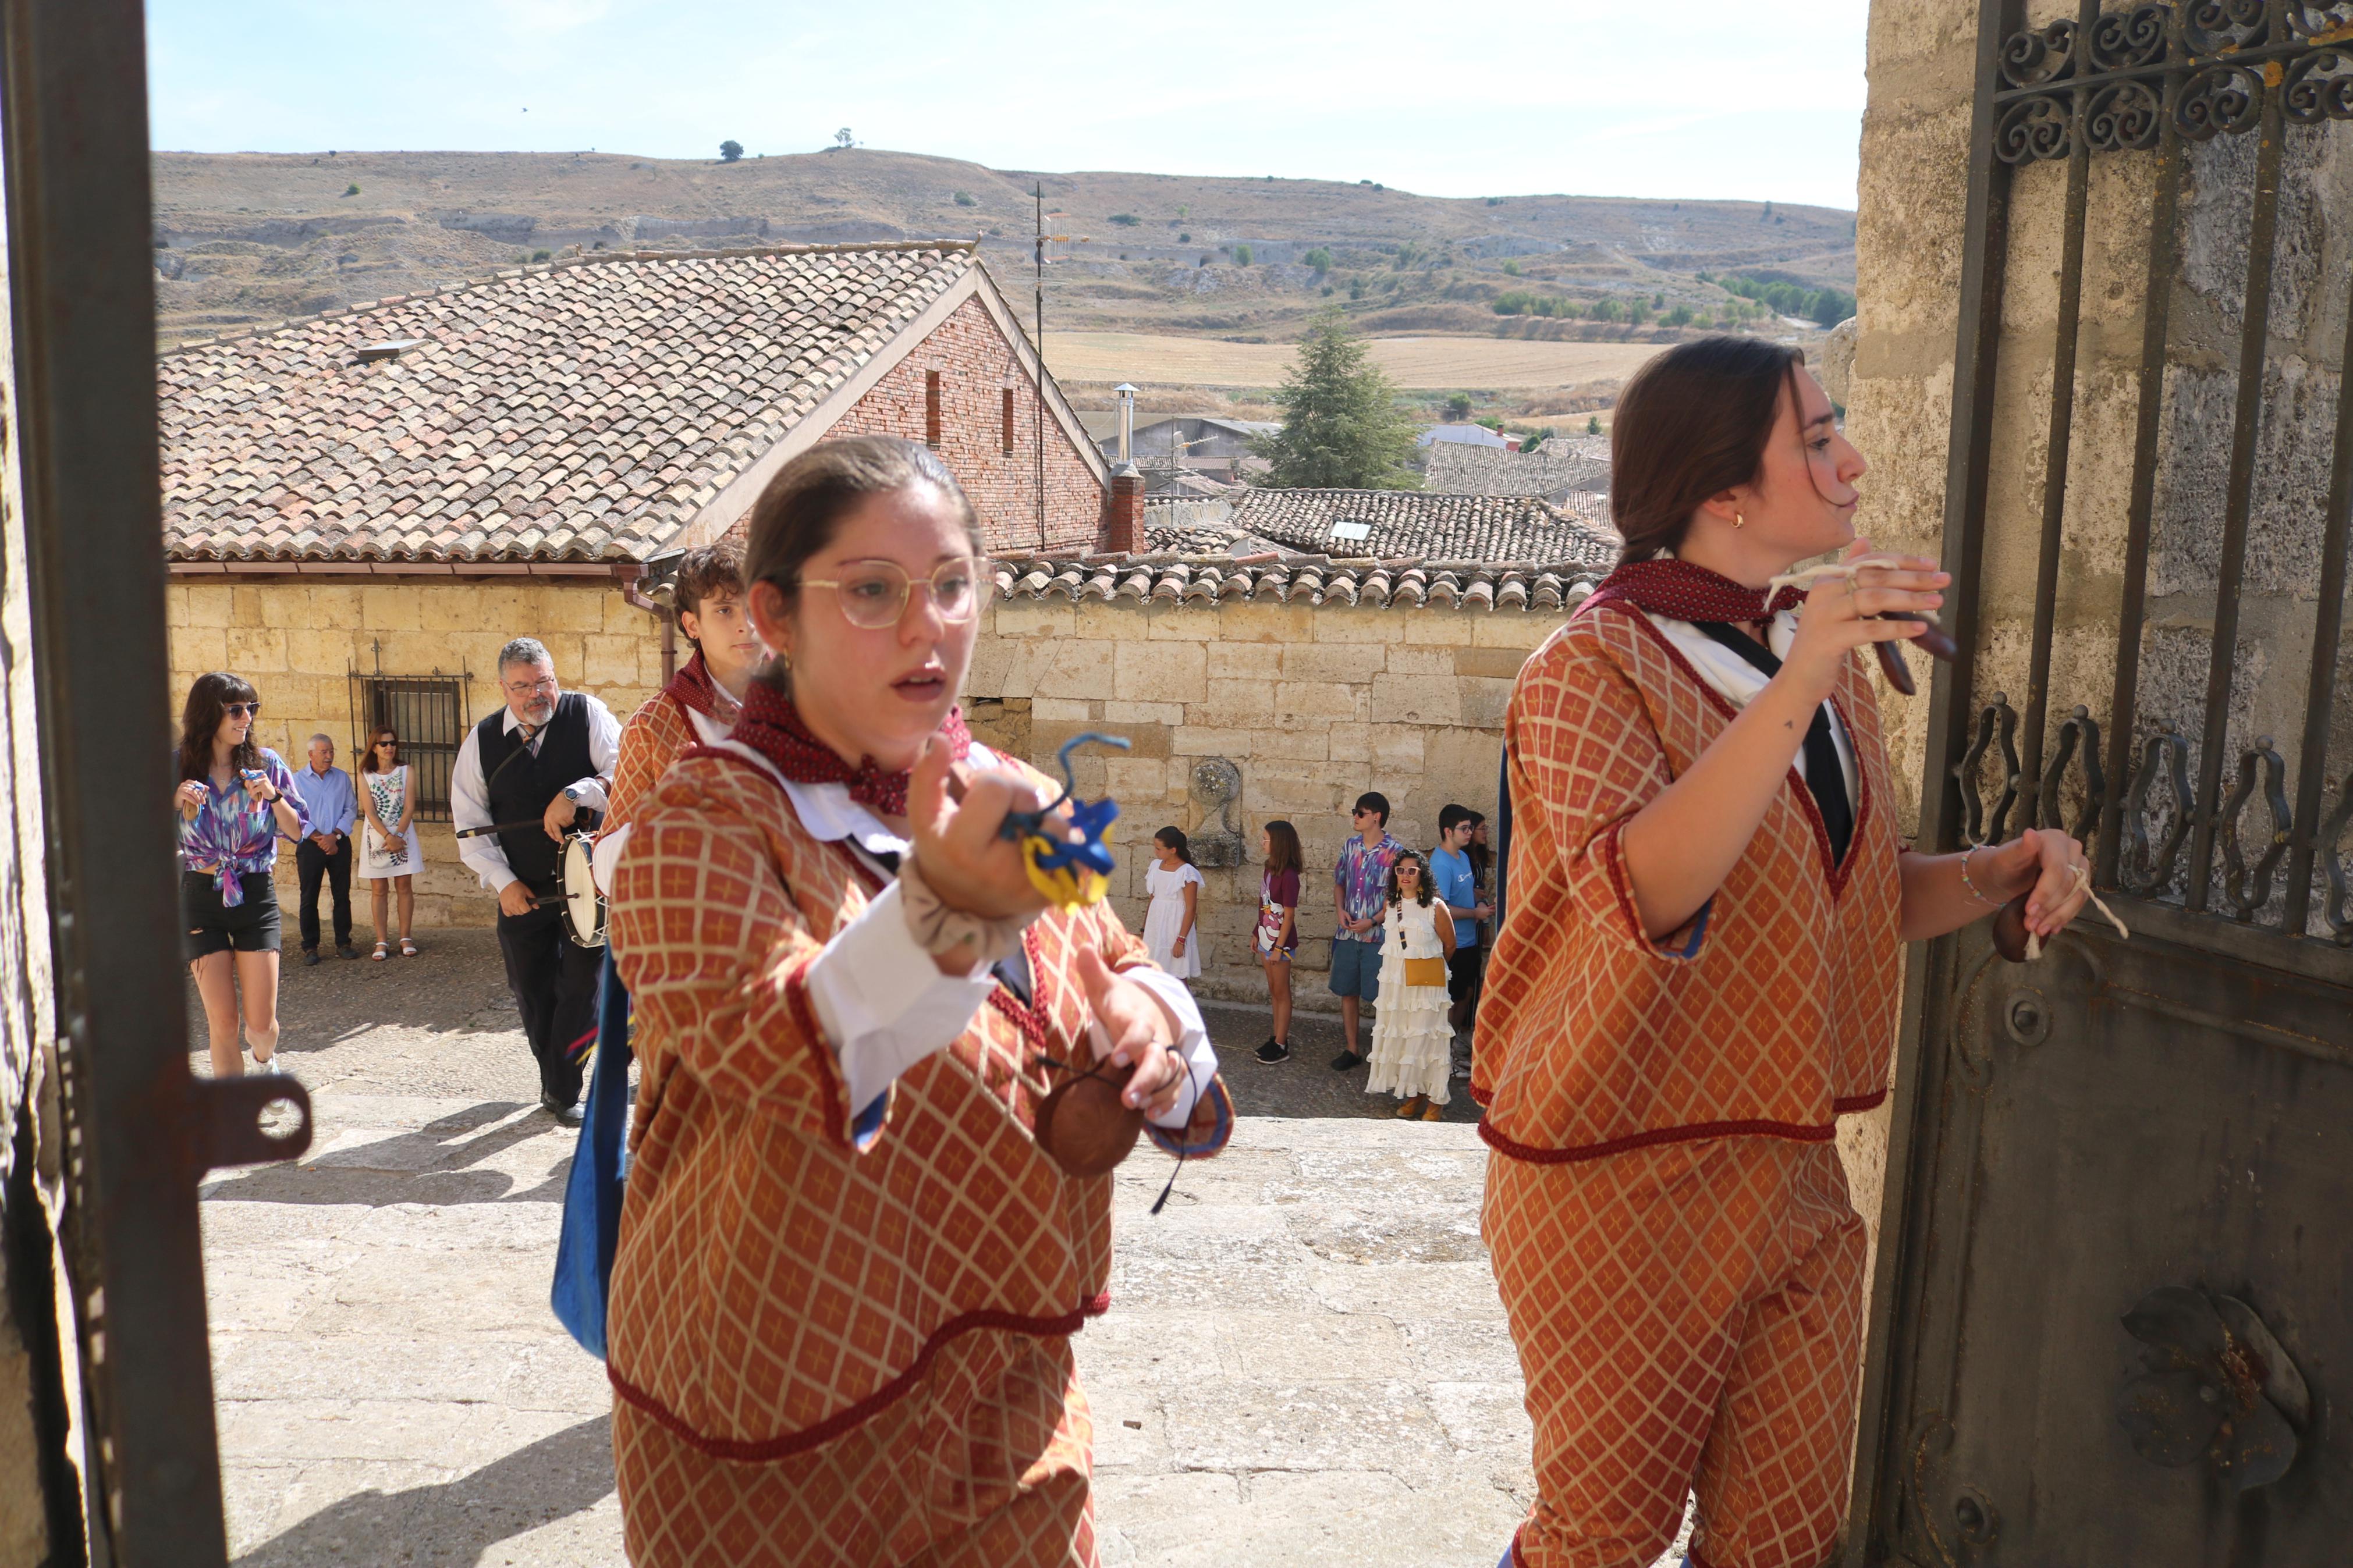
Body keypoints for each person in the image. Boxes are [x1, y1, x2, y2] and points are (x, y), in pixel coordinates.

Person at [1476, 337, 2096, 1568]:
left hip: (1791, 1168)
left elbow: (1843, 899)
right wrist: (1805, 672)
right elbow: (1649, 890)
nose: (1849, 458)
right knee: (1601, 1538)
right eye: (1814, 437)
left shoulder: (1822, 671)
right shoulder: (1582, 670)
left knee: (1784, 1539)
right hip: (1619, 1173)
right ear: (1720, 490)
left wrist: (1996, 869)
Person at [603, 435, 1231, 1566]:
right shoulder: (701, 822)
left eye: (948, 584)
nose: (924, 623)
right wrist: (948, 906)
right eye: (873, 591)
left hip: (1011, 1392)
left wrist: (1146, 1023)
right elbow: (790, 1055)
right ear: (775, 616)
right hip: (773, 1417)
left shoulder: (1025, 794)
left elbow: (1116, 955)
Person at [450, 637, 620, 1121]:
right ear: (503, 688)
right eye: (523, 685)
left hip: (591, 886)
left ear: (555, 678)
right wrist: (502, 881)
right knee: (531, 990)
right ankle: (554, 1078)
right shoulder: (481, 741)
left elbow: (627, 772)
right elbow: (469, 823)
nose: (536, 694)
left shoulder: (586, 714)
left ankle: (563, 1090)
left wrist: (579, 791)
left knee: (583, 987)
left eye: (544, 681)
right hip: (523, 890)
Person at [595, 536, 762, 888]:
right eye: (725, 609)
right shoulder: (655, 724)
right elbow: (604, 870)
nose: (747, 623)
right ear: (692, 625)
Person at [175, 673, 306, 1078]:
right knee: (223, 1023)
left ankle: (265, 1064)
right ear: (208, 713)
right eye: (235, 709)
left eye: (251, 708)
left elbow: (299, 830)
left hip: (254, 893)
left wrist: (274, 795)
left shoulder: (265, 764)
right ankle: (232, 1119)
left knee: (261, 1027)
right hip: (201, 894)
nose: (246, 717)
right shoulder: (176, 764)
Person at [1364, 849, 1456, 1121]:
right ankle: (1414, 1095)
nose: (1405, 875)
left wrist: (1428, 968)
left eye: (1412, 871)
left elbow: (1450, 945)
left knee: (1428, 1038)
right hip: (1396, 984)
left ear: (1422, 875)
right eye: (1400, 870)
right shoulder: (1391, 905)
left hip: (1426, 985)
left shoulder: (1436, 907)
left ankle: (1435, 1100)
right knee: (1406, 1039)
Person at [1326, 791, 1402, 1072]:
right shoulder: (1350, 847)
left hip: (1378, 937)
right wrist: (1340, 911)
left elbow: (1397, 896)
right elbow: (1339, 883)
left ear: (1376, 817)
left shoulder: (1395, 852)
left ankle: (1384, 1053)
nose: (1355, 818)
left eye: (1360, 813)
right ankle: (1352, 1049)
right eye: (1355, 813)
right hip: (1347, 933)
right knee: (1348, 991)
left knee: (1382, 996)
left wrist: (1373, 921)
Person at [289, 733, 359, 965]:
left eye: (331, 752)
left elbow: (351, 809)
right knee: (309, 896)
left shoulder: (341, 778)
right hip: (311, 845)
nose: (329, 756)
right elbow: (295, 813)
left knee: (342, 894)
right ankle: (310, 946)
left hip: (339, 842)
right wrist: (320, 838)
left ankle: (343, 943)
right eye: (324, 752)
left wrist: (335, 835)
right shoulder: (297, 781)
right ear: (311, 754)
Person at [357, 727, 423, 959]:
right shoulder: (365, 774)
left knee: (404, 886)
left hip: (403, 836)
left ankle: (406, 937)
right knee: (379, 890)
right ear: (374, 747)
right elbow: (370, 812)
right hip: (377, 837)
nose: (389, 748)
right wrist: (387, 837)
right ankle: (381, 941)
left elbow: (410, 807)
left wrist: (399, 837)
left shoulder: (407, 771)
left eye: (392, 743)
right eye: (383, 744)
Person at [1429, 804, 1491, 1031]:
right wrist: (1475, 913)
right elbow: (1440, 908)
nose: (1469, 833)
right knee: (1451, 1000)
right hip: (1453, 945)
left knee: (1466, 994)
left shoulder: (1463, 857)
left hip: (1469, 941)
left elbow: (1461, 890)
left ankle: (1453, 1047)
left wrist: (1477, 899)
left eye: (1471, 828)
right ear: (1448, 831)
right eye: (1464, 828)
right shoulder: (1440, 864)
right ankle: (1446, 1054)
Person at [1252, 819, 1304, 1063]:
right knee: (1273, 989)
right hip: (1265, 937)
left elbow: (1289, 914)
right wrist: (1256, 931)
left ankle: (1282, 1044)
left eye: (1266, 838)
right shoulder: (1269, 869)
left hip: (1279, 943)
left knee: (1282, 992)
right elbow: (1264, 905)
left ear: (1279, 843)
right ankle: (1276, 1037)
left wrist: (1279, 948)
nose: (1262, 842)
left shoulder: (1290, 876)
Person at [1142, 826, 1203, 982]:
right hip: (1156, 926)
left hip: (1175, 927)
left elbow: (1191, 908)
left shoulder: (1186, 872)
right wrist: (1144, 927)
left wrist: (1181, 940)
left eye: (1159, 849)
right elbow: (1153, 898)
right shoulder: (1156, 866)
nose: (1156, 852)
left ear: (1173, 850)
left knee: (1177, 978)